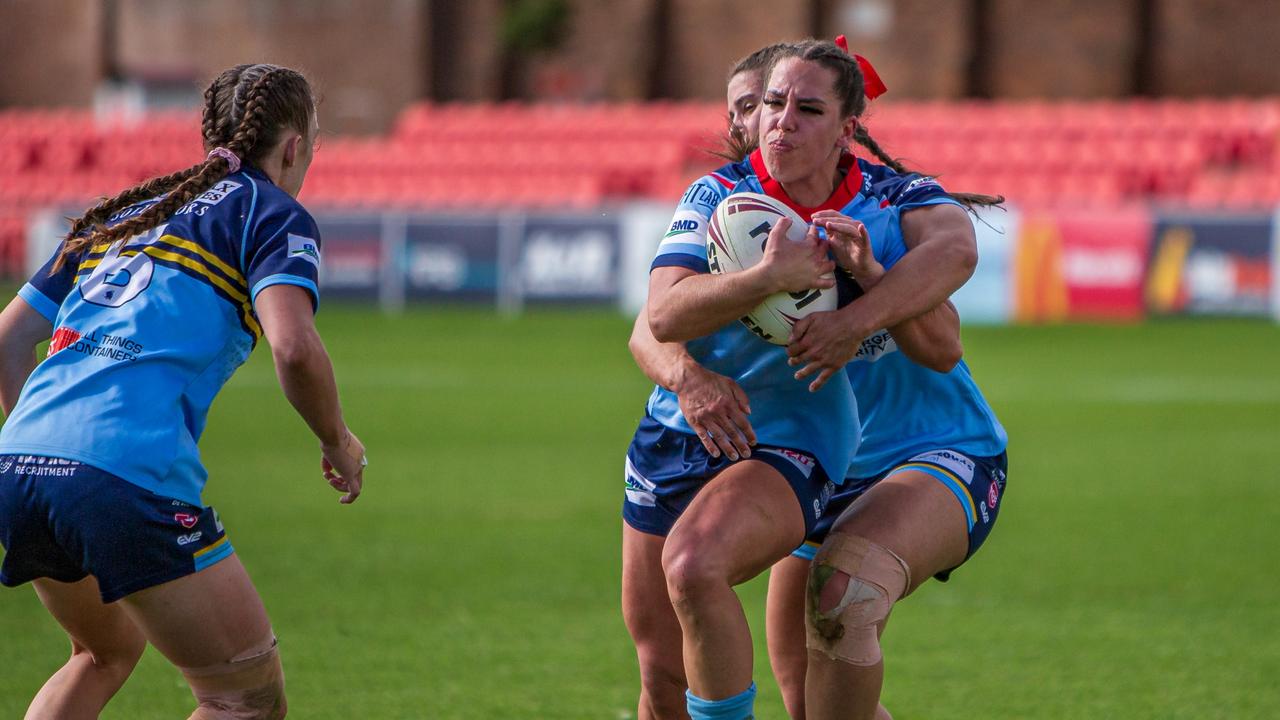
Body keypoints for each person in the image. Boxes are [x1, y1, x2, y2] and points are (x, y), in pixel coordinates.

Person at [623, 38, 976, 720]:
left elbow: (948, 311)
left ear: (848, 129)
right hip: (707, 435)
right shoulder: (719, 197)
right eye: (764, 106)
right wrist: (758, 288)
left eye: (803, 107)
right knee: (681, 676)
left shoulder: (890, 204)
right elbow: (657, 319)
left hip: (902, 446)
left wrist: (863, 304)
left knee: (836, 604)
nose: (774, 119)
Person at [0, 63, 365, 720]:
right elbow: (294, 347)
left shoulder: (128, 210)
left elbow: (6, 340)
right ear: (292, 147)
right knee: (244, 699)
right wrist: (337, 440)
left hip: (19, 461)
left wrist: (49, 448)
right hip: (120, 473)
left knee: (100, 653)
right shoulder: (271, 213)